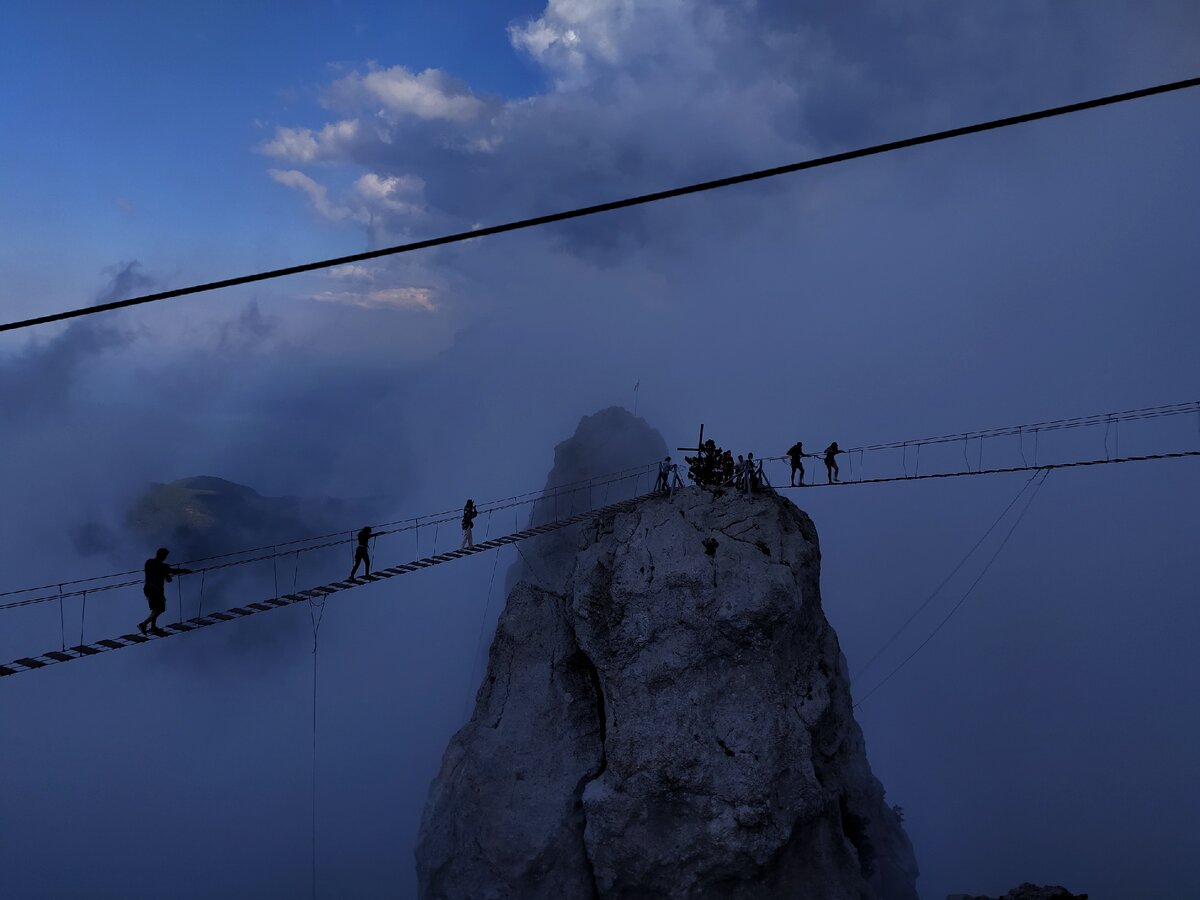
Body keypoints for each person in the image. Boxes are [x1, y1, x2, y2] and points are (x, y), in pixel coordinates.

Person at [138, 548, 191, 635]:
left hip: (149, 588)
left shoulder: (150, 562)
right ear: (162, 556)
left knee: (156, 608)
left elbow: (163, 574)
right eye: (165, 556)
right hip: (155, 590)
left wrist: (166, 574)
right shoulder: (162, 566)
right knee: (160, 609)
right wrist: (183, 571)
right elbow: (171, 573)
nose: (165, 558)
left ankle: (153, 627)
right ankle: (144, 624)